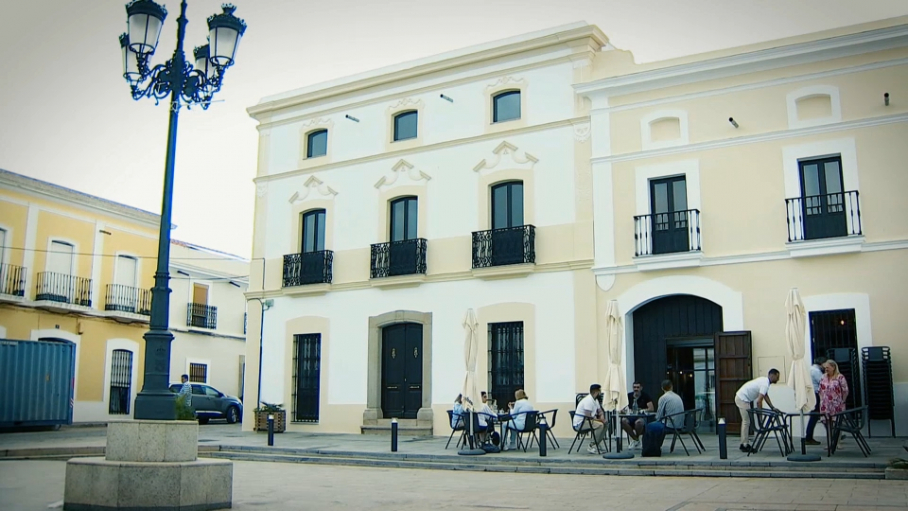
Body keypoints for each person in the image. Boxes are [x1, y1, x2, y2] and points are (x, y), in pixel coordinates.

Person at [734, 369, 781, 453]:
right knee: (746, 421)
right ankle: (744, 444)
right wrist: (760, 418)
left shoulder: (764, 381)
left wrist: (772, 407)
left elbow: (765, 395)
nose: (778, 379)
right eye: (777, 377)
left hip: (744, 398)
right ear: (772, 375)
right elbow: (759, 401)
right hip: (742, 398)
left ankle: (744, 443)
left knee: (746, 421)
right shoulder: (765, 384)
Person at [819, 359, 849, 449]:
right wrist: (822, 400)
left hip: (837, 404)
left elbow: (845, 390)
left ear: (833, 367)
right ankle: (829, 442)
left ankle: (838, 442)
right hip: (825, 405)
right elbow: (820, 390)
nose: (826, 369)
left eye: (828, 367)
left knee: (837, 423)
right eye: (825, 368)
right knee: (827, 424)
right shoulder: (823, 377)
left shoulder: (840, 377)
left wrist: (842, 401)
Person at [573, 384, 608, 454]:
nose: (600, 393)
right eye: (599, 391)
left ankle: (597, 443)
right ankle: (591, 445)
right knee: (600, 425)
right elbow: (588, 417)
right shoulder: (588, 401)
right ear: (595, 391)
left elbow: (600, 411)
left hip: (588, 421)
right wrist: (601, 420)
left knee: (606, 424)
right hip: (580, 423)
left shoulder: (595, 400)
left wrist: (602, 418)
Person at [621, 381, 654, 449]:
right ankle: (635, 439)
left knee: (638, 422)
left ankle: (636, 439)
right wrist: (623, 410)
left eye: (638, 387)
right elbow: (622, 407)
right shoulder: (629, 396)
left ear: (641, 388)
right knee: (623, 421)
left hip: (641, 416)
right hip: (630, 416)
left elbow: (651, 408)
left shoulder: (645, 396)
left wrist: (643, 410)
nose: (636, 389)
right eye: (634, 387)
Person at [805, 356, 827, 446]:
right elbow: (823, 382)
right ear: (821, 364)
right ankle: (808, 437)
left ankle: (832, 432)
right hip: (816, 394)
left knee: (818, 414)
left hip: (811, 394)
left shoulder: (810, 369)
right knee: (816, 415)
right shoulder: (816, 371)